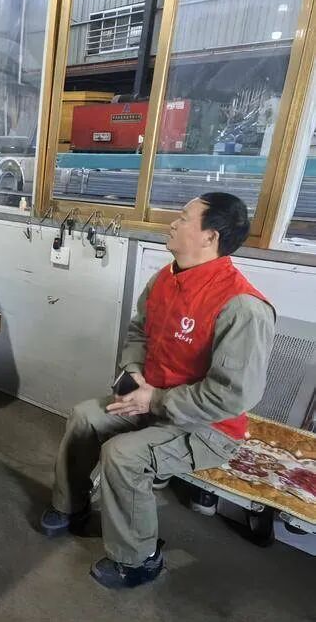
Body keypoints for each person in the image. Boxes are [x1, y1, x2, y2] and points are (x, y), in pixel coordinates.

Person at [39, 192, 275, 589]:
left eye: (183, 218)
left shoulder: (243, 307)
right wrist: (133, 374)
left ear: (210, 237)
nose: (173, 223)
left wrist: (156, 399)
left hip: (208, 426)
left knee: (123, 455)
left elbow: (232, 396)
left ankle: (139, 559)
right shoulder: (165, 278)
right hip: (151, 400)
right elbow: (138, 332)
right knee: (84, 417)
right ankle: (71, 506)